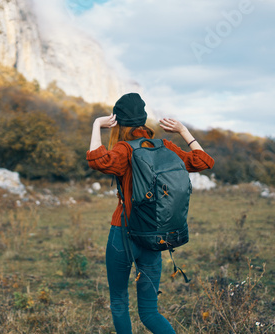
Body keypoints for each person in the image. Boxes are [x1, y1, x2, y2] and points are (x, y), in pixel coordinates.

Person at [86, 93, 215, 333]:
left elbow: (96, 160)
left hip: (124, 233)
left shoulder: (125, 149)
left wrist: (96, 125)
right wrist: (184, 131)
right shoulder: (165, 146)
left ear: (119, 122)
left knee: (119, 302)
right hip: (156, 234)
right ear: (144, 120)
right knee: (149, 311)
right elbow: (203, 161)